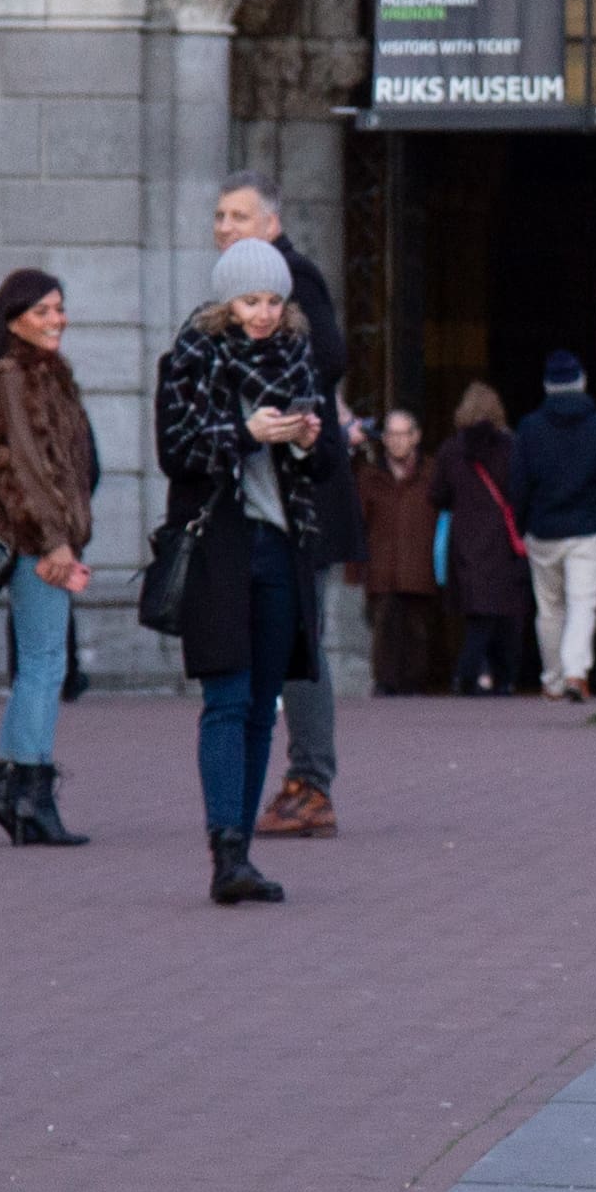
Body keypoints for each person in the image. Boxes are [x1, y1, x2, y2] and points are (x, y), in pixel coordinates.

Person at [155, 238, 340, 907]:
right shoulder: (190, 359)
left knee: (264, 705)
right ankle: (224, 847)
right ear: (224, 301)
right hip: (220, 550)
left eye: (272, 300)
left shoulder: (296, 358)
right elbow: (176, 452)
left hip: (282, 547)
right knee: (226, 699)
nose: (263, 313)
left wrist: (310, 440)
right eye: (250, 299)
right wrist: (247, 433)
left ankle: (244, 854)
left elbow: (324, 469)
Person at [218, 178, 357, 839]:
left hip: (303, 493)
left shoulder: (293, 275)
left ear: (270, 222)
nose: (224, 224)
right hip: (263, 499)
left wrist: (278, 396)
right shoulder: (231, 297)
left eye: (238, 214)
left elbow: (330, 356)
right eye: (219, 214)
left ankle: (310, 781)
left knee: (303, 640)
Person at [0, 270, 95, 848]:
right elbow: (19, 469)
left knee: (38, 668)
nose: (56, 320)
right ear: (13, 317)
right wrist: (54, 540)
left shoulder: (48, 376)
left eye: (60, 309)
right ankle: (32, 797)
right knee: (45, 667)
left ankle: (6, 789)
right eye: (43, 311)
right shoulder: (11, 378)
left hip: (43, 539)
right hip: (33, 542)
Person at [430, 382, 534, 694]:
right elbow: (522, 490)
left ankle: (469, 675)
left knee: (478, 617)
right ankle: (502, 679)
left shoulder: (450, 450)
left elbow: (437, 495)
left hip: (465, 542)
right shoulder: (512, 446)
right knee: (507, 618)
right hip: (504, 541)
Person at [512, 349, 596, 701]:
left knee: (550, 609)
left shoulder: (530, 427)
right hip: (587, 528)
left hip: (544, 529)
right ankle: (575, 673)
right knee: (583, 603)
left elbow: (519, 483)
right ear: (582, 383)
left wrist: (523, 525)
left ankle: (551, 679)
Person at [353, 407, 442, 698]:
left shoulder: (432, 473)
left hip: (420, 566)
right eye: (390, 434)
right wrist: (354, 568)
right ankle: (385, 685)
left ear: (415, 437)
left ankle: (415, 685)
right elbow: (358, 522)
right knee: (383, 628)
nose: (396, 441)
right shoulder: (370, 476)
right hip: (383, 566)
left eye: (402, 434)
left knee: (419, 631)